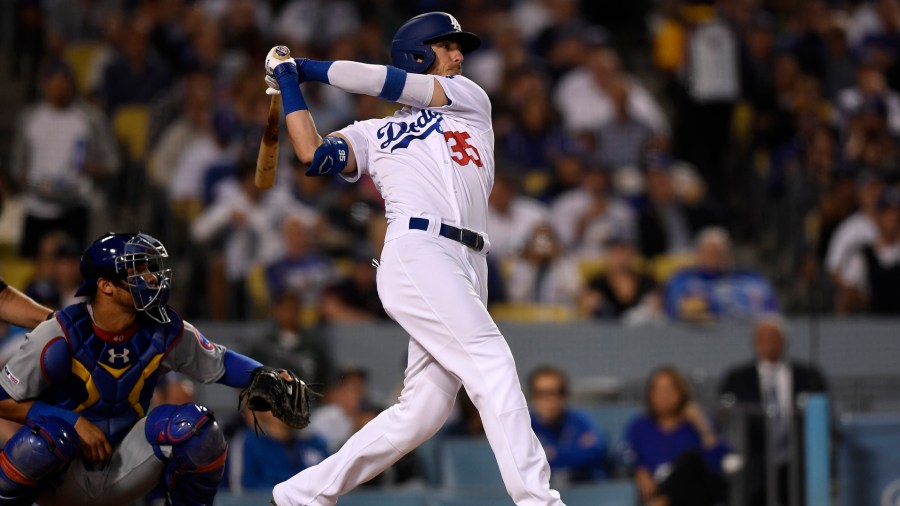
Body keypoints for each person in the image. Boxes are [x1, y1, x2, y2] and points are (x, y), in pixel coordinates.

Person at [264, 11, 565, 505]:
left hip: (471, 260)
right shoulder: (372, 132)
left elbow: (387, 82)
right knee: (491, 363)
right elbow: (312, 154)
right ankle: (538, 500)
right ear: (420, 52)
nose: (458, 55)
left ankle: (302, 493)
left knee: (423, 412)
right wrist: (291, 85)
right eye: (447, 47)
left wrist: (305, 67)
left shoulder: (469, 99)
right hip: (418, 250)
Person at [0, 232, 306, 506]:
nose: (149, 277)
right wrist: (72, 421)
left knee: (197, 428)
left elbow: (221, 363)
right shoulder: (59, 333)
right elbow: (3, 400)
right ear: (105, 285)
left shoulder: (162, 329)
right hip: (64, 475)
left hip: (126, 465)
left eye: (149, 268)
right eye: (137, 270)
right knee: (45, 439)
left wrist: (262, 374)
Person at [719, 316, 828, 506]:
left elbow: (821, 413)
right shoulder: (737, 377)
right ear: (754, 341)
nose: (767, 343)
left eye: (773, 337)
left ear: (784, 340)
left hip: (796, 459)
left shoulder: (809, 375)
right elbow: (724, 411)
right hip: (754, 459)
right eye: (761, 337)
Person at [623, 366, 729, 506]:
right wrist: (639, 469)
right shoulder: (640, 426)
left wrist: (702, 426)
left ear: (681, 393)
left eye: (669, 390)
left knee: (691, 460)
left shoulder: (697, 424)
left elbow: (718, 461)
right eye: (658, 390)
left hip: (695, 495)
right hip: (654, 489)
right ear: (650, 394)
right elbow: (624, 453)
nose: (664, 395)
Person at [665, 227, 779, 322]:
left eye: (719, 252)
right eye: (708, 252)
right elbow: (677, 310)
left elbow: (772, 314)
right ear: (698, 254)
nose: (714, 258)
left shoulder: (752, 279)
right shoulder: (683, 280)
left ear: (728, 254)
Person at [528, 366, 607, 485]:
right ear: (532, 397)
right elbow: (523, 465)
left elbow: (596, 452)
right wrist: (574, 451)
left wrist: (551, 455)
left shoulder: (580, 420)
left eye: (557, 392)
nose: (550, 399)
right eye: (542, 393)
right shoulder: (526, 427)